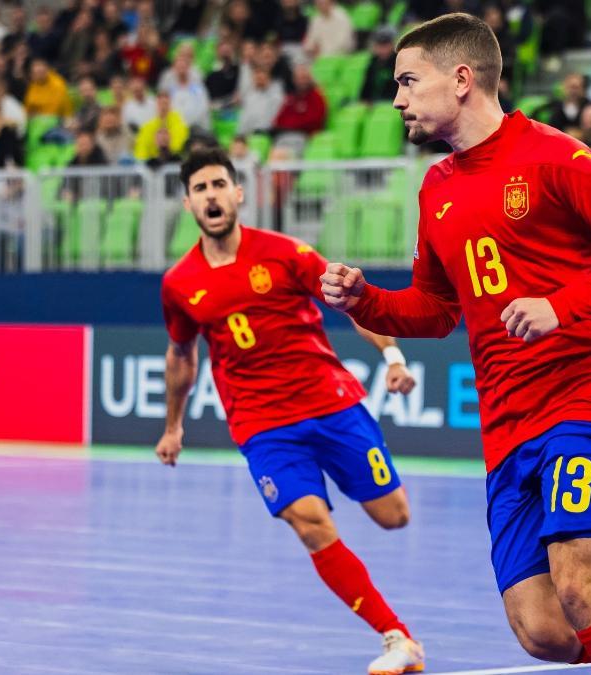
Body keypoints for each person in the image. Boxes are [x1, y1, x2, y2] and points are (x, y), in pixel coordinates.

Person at [319, 14, 591, 675]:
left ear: (461, 79)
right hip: (507, 424)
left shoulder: (554, 155)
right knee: (546, 629)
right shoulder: (436, 188)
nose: (397, 99)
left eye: (408, 81)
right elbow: (436, 311)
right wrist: (365, 300)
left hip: (586, 397)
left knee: (583, 591)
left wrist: (561, 306)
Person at [157, 148, 426, 675]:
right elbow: (181, 357)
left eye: (219, 184)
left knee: (394, 516)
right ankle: (398, 638)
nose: (211, 196)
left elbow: (352, 303)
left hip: (331, 403)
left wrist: (392, 357)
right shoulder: (179, 283)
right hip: (262, 425)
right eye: (200, 189)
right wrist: (173, 427)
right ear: (188, 203)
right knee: (310, 524)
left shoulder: (284, 253)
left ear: (238, 193)